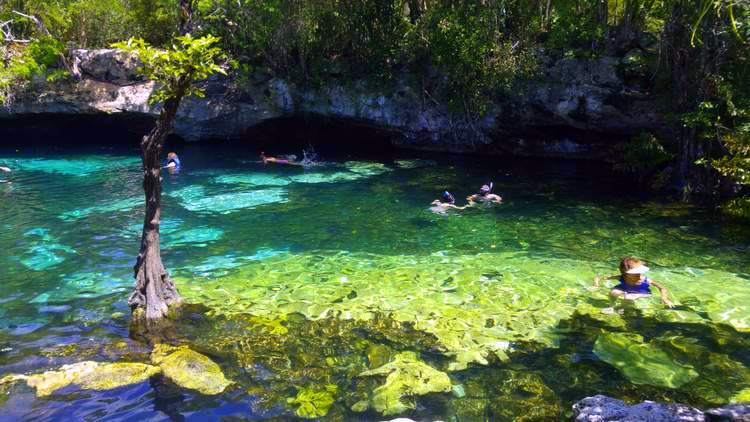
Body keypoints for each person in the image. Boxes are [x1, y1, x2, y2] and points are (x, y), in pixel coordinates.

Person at [593, 257, 674, 308]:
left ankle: (624, 309)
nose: (638, 274)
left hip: (642, 293)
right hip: (625, 289)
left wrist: (664, 298)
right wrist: (596, 284)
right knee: (613, 292)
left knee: (628, 297)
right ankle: (612, 306)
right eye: (635, 273)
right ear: (625, 273)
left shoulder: (645, 280)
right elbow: (599, 277)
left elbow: (662, 287)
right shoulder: (621, 277)